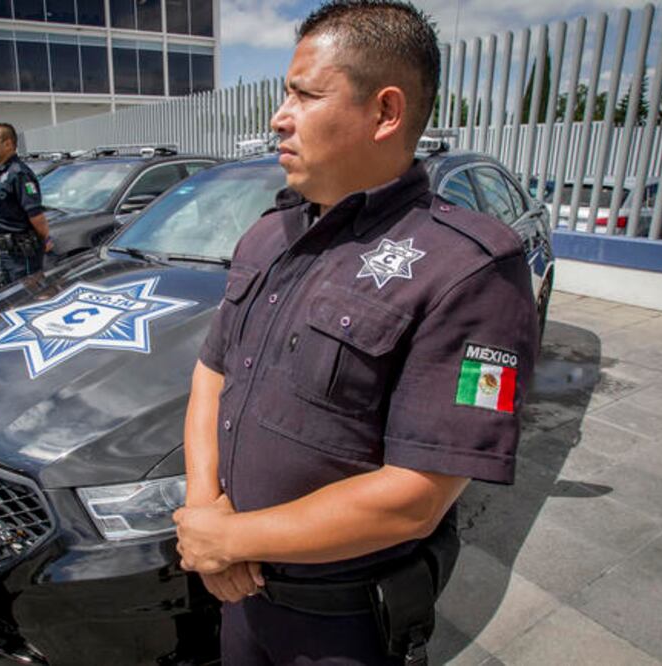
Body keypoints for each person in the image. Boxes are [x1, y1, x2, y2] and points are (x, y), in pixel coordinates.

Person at [172, 2, 539, 665]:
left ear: (385, 112)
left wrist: (230, 538)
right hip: (241, 597)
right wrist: (206, 514)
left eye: (304, 94)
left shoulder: (473, 270)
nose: (278, 116)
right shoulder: (269, 233)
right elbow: (212, 373)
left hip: (340, 627)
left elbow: (414, 498)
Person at [0, 123, 52, 283]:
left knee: (27, 297)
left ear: (8, 144)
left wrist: (46, 239)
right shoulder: (1, 173)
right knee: (12, 299)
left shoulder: (19, 173)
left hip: (22, 255)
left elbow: (35, 214)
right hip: (5, 253)